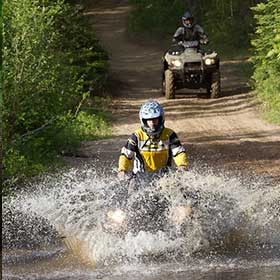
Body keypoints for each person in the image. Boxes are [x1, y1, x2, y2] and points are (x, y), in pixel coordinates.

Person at [118, 100, 188, 179]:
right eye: (149, 120)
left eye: (155, 119)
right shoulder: (137, 136)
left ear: (160, 119)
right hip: (140, 177)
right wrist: (122, 169)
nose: (152, 123)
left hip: (164, 177)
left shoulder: (170, 134)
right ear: (144, 121)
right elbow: (126, 155)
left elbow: (179, 152)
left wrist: (182, 165)